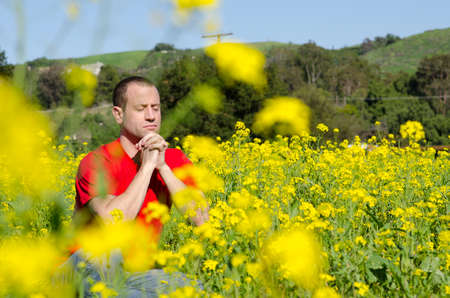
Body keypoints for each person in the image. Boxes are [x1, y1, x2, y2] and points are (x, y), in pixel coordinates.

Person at [68, 76, 208, 297]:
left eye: (156, 108)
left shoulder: (174, 159)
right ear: (118, 114)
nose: (151, 116)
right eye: (141, 108)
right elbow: (114, 222)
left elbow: (201, 219)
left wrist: (162, 167)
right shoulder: (97, 162)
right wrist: (147, 166)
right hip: (85, 267)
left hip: (136, 272)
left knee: (196, 290)